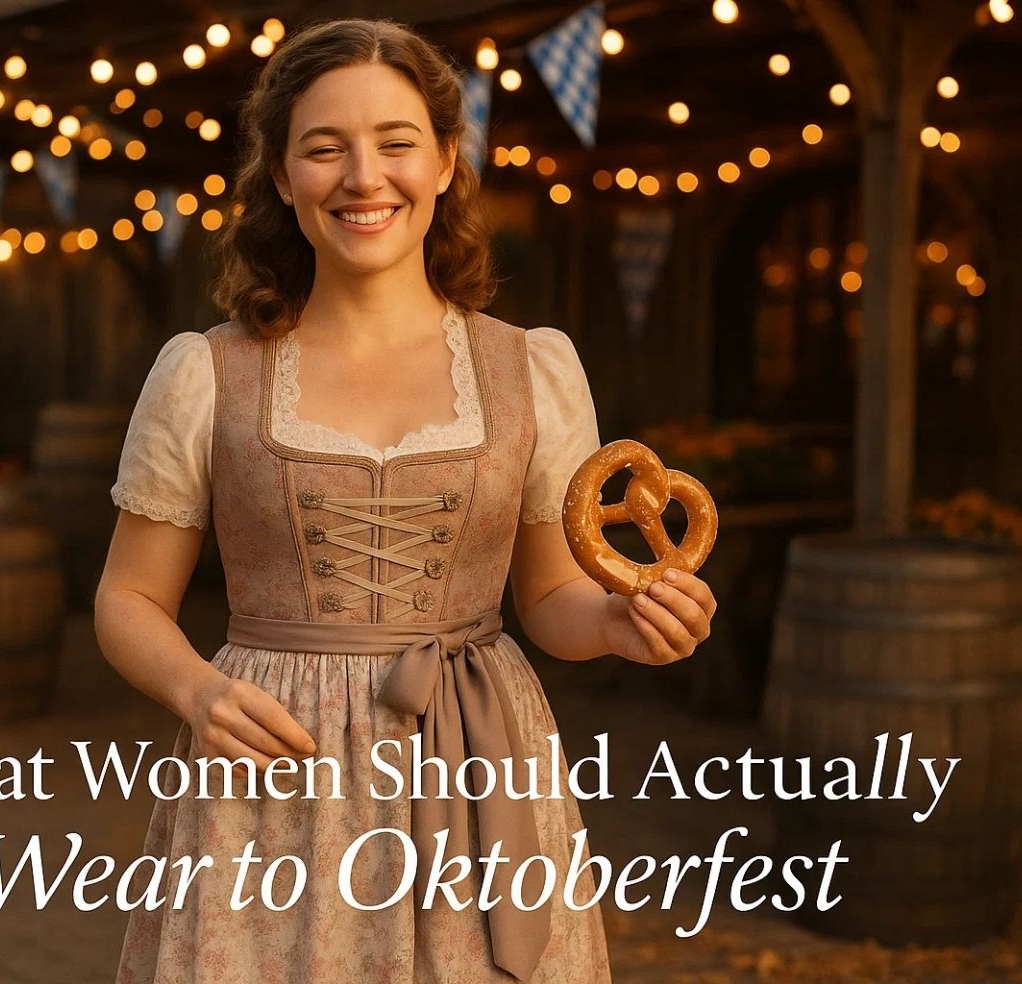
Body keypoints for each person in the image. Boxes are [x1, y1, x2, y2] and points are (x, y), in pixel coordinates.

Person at [95, 17, 716, 984]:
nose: (363, 177)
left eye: (395, 142)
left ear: (445, 161)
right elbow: (128, 598)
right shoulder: (205, 372)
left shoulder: (531, 368)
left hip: (478, 764)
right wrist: (197, 690)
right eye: (324, 148)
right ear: (281, 173)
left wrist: (617, 624)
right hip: (273, 773)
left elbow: (552, 599)